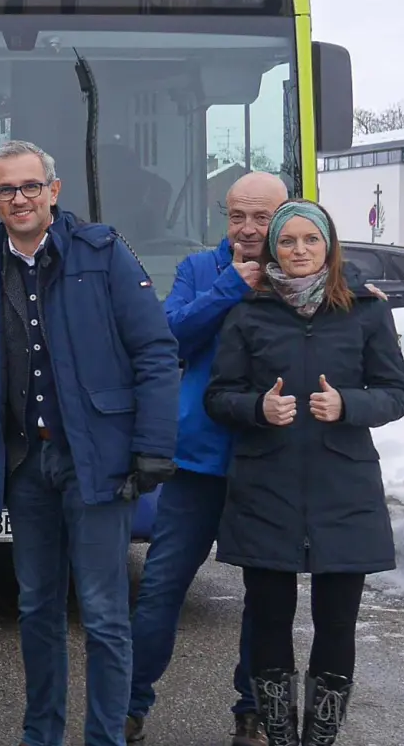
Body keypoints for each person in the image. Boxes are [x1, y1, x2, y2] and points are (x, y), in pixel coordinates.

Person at [0, 140, 180, 746]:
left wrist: (152, 448)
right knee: (36, 607)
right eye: (6, 190)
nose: (20, 198)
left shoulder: (104, 252)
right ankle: (41, 735)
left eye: (30, 186)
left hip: (97, 461)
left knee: (104, 613)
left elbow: (155, 351)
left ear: (53, 191)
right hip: (25, 463)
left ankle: (105, 737)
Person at [204, 199, 404, 746]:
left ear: (328, 245)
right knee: (269, 620)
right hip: (266, 490)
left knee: (337, 623)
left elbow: (398, 393)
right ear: (274, 249)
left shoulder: (365, 311)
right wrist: (258, 408)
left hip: (344, 490)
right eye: (288, 241)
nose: (299, 250)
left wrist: (348, 405)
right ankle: (279, 736)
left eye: (311, 240)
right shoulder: (249, 313)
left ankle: (320, 739)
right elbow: (218, 396)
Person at [124, 171, 287, 746]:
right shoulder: (200, 269)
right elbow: (168, 337)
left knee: (266, 597)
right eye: (237, 216)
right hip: (197, 462)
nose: (248, 229)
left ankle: (253, 709)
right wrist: (229, 287)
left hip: (269, 461)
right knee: (162, 586)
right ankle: (130, 704)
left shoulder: (299, 269)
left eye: (261, 217)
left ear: (284, 215)